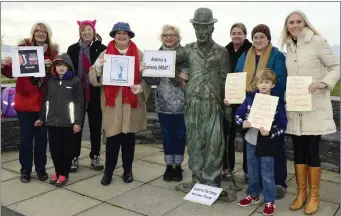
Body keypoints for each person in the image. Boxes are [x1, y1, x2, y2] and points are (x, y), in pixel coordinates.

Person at [281, 10, 340, 215]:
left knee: (312, 151)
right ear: (287, 26)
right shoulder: (289, 46)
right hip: (296, 107)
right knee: (298, 150)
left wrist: (324, 82)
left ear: (305, 23)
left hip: (314, 106)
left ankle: (314, 196)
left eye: (298, 21)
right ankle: (301, 194)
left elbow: (336, 65)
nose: (295, 25)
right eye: (291, 22)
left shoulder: (317, 41)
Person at [174, 8, 236, 201]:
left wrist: (227, 108)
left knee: (215, 143)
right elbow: (167, 61)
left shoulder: (222, 51)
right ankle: (197, 179)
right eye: (197, 28)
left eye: (205, 28)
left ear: (211, 28)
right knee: (194, 142)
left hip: (213, 103)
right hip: (193, 102)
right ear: (194, 28)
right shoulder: (188, 49)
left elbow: (226, 79)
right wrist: (181, 80)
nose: (201, 32)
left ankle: (212, 182)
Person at [88, 22, 151, 186]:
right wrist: (98, 69)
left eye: (125, 33)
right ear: (114, 36)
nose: (122, 36)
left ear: (129, 35)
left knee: (129, 140)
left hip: (131, 103)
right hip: (112, 104)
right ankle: (108, 172)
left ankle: (127, 170)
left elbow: (148, 78)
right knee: (112, 140)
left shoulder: (139, 53)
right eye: (118, 33)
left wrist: (141, 85)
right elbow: (93, 78)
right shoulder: (105, 54)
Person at [235, 24, 288, 198]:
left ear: (268, 38)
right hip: (249, 105)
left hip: (269, 106)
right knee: (251, 147)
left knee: (273, 148)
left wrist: (268, 102)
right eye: (255, 37)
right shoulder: (245, 55)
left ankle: (277, 183)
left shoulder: (277, 55)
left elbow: (280, 80)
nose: (258, 40)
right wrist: (234, 95)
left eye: (262, 37)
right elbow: (237, 77)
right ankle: (253, 182)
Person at [1, 22, 59, 183]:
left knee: (41, 140)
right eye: (38, 31)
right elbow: (11, 72)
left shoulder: (53, 53)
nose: (41, 33)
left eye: (44, 32)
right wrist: (3, 65)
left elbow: (59, 73)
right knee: (26, 139)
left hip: (43, 103)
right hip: (25, 102)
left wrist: (51, 67)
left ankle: (41, 168)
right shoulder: (23, 50)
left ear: (48, 35)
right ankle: (25, 169)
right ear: (33, 33)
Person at [234, 68, 287, 216]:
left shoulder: (277, 103)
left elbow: (282, 125)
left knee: (267, 173)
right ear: (256, 84)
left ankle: (269, 201)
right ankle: (253, 195)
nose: (263, 85)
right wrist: (243, 122)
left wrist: (271, 132)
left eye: (267, 82)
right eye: (260, 82)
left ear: (273, 85)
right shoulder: (250, 99)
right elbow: (238, 115)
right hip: (251, 140)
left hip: (267, 143)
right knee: (252, 170)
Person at [141, 24, 188, 182]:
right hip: (163, 103)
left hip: (183, 103)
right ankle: (169, 166)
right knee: (168, 136)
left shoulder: (187, 55)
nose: (169, 37)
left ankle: (178, 166)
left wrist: (188, 78)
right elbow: (152, 80)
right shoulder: (156, 56)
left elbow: (194, 77)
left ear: (178, 37)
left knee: (180, 135)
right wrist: (145, 71)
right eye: (166, 35)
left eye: (172, 34)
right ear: (162, 37)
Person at [34, 53, 84, 187]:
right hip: (51, 123)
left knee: (66, 151)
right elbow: (46, 102)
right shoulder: (50, 82)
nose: (61, 68)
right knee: (55, 150)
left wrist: (77, 122)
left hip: (68, 124)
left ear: (68, 66)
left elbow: (79, 103)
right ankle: (57, 171)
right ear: (54, 67)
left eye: (64, 65)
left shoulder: (75, 81)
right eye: (58, 65)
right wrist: (41, 118)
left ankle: (64, 174)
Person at [67, 20, 107, 172]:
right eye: (83, 30)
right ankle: (74, 156)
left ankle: (95, 155)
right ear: (80, 32)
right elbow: (68, 69)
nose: (86, 32)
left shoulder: (102, 49)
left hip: (95, 92)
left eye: (89, 29)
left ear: (94, 31)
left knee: (96, 126)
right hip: (77, 93)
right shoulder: (72, 49)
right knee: (76, 126)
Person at [222, 22, 252, 179]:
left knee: (247, 134)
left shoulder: (251, 51)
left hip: (246, 99)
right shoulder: (225, 51)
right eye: (234, 33)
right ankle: (227, 167)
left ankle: (248, 170)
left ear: (245, 35)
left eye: (239, 33)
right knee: (228, 135)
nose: (236, 35)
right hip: (229, 99)